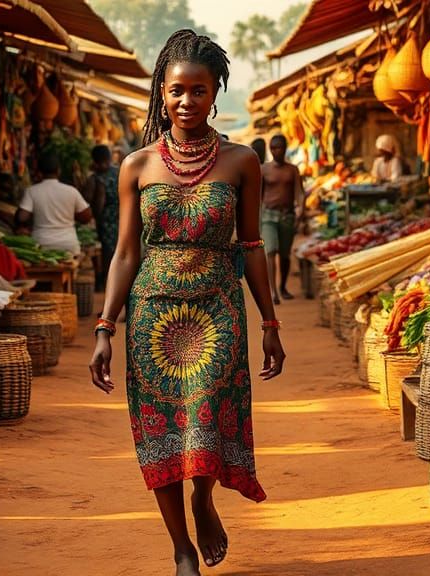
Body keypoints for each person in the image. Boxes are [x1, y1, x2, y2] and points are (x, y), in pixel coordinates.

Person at [89, 29, 285, 576]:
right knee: (160, 430)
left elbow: (250, 245)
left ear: (215, 91)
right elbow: (126, 252)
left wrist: (269, 321)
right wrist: (105, 326)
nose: (186, 102)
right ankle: (180, 548)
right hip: (152, 316)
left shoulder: (241, 160)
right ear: (162, 93)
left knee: (203, 419)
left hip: (218, 310)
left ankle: (203, 499)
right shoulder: (137, 165)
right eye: (176, 91)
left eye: (198, 91)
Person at [16, 151, 93, 255]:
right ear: (58, 171)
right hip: (68, 245)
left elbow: (22, 217)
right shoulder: (71, 191)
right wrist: (68, 213)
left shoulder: (32, 191)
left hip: (41, 245)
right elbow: (87, 217)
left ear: (39, 172)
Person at [261, 134, 302, 304]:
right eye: (274, 148)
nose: (277, 151)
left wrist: (301, 210)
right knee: (270, 250)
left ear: (285, 148)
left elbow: (299, 192)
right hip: (268, 215)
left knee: (285, 255)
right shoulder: (264, 169)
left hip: (287, 215)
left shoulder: (292, 170)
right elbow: (258, 194)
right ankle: (273, 291)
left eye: (280, 147)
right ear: (270, 150)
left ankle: (283, 286)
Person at [82, 145, 120, 288]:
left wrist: (95, 216)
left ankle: (105, 281)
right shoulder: (119, 171)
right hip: (121, 216)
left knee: (107, 251)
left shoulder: (99, 178)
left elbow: (99, 202)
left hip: (107, 219)